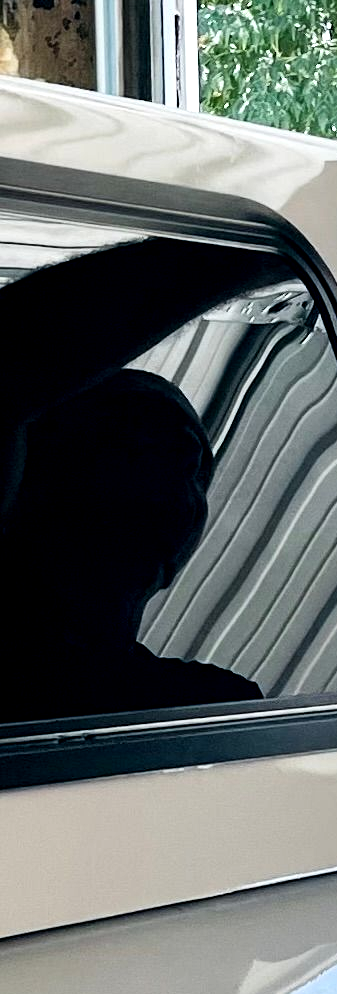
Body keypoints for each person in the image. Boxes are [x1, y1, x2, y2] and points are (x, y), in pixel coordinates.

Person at [0, 236, 286, 720]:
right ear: (30, 475)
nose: (180, 493)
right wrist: (279, 242)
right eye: (135, 449)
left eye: (194, 470)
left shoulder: (210, 709)